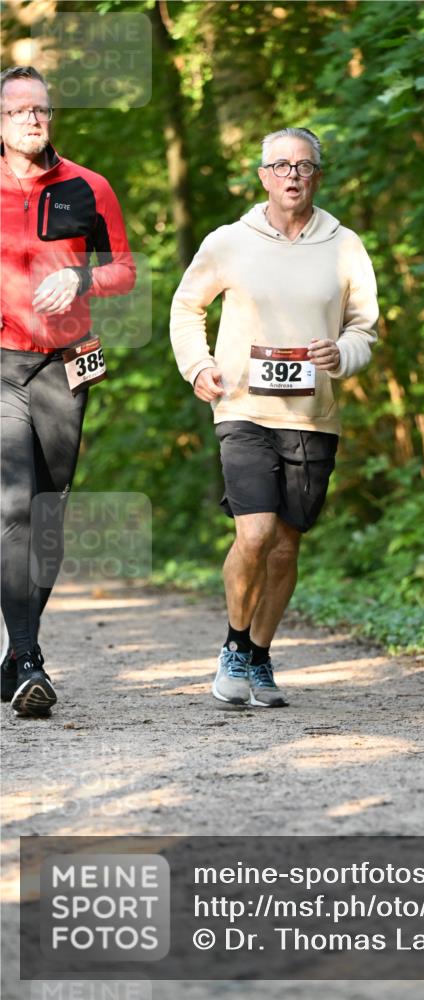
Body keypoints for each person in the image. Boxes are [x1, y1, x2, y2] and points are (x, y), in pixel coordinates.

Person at [170, 127, 378, 708]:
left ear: (318, 175)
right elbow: (187, 307)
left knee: (286, 545)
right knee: (255, 533)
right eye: (281, 165)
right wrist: (198, 366)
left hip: (313, 418)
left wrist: (344, 354)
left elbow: (364, 327)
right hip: (241, 407)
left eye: (304, 166)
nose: (292, 175)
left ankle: (260, 655)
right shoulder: (230, 242)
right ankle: (234, 647)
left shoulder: (345, 246)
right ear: (263, 175)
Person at [0, 66, 135, 717]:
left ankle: (16, 649)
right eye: (19, 110)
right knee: (16, 505)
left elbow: (124, 268)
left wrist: (83, 281)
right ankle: (29, 659)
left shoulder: (89, 186)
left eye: (42, 110)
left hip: (63, 366)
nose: (33, 118)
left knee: (49, 512)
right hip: (0, 368)